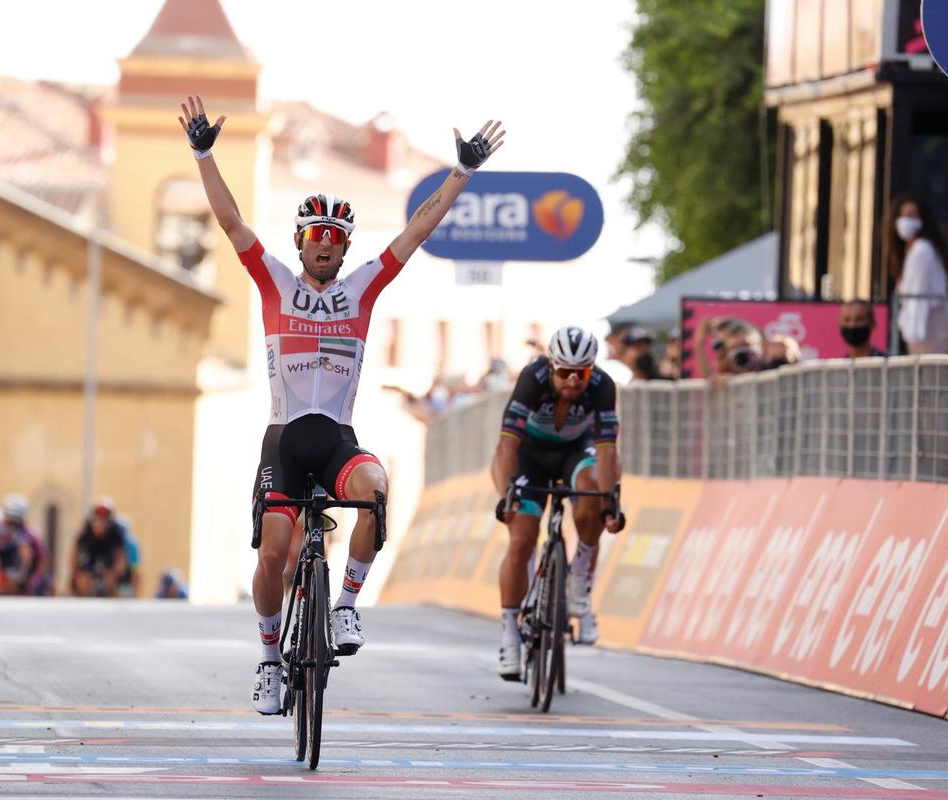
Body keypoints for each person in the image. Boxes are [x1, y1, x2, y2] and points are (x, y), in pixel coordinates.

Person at [179, 95, 504, 714]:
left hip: (335, 441)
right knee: (275, 551)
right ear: (300, 242)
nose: (326, 244)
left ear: (346, 248)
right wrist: (203, 154)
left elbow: (417, 231)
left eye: (337, 237)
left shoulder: (363, 288)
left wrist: (461, 173)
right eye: (316, 236)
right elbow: (230, 223)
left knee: (376, 488)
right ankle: (271, 663)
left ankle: (346, 608)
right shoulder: (273, 280)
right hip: (284, 440)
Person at [489, 326, 624, 680]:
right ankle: (510, 634)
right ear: (552, 366)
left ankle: (579, 574)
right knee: (521, 540)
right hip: (529, 456)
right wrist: (506, 496)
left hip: (575, 453)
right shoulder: (532, 379)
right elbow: (506, 447)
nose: (574, 380)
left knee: (594, 493)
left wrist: (610, 502)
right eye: (565, 372)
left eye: (582, 373)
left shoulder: (603, 386)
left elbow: (609, 451)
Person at [886, 195, 948, 355]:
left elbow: (917, 294)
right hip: (924, 328)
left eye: (912, 215)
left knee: (930, 377)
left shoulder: (921, 250)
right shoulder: (912, 251)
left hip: (927, 328)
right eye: (903, 215)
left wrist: (911, 332)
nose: (906, 221)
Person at [71, 497, 128, 598]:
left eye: (105, 514)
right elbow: (76, 549)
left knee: (111, 578)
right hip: (91, 556)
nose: (101, 518)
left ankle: (112, 599)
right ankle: (81, 601)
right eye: (99, 513)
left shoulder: (116, 529)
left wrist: (118, 572)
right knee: (83, 578)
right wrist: (74, 570)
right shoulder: (88, 527)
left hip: (107, 557)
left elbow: (121, 553)